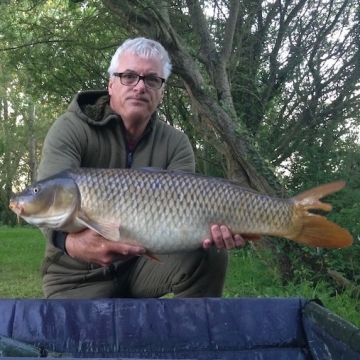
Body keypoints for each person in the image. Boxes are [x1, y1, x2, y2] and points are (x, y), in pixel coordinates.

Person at [38, 37, 244, 299]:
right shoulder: (71, 128)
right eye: (129, 76)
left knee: (212, 253)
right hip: (76, 276)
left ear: (161, 92)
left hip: (144, 265)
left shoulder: (176, 142)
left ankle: (191, 335)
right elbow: (47, 202)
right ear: (111, 84)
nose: (139, 86)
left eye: (151, 79)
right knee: (95, 341)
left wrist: (219, 229)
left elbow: (189, 216)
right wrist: (71, 243)